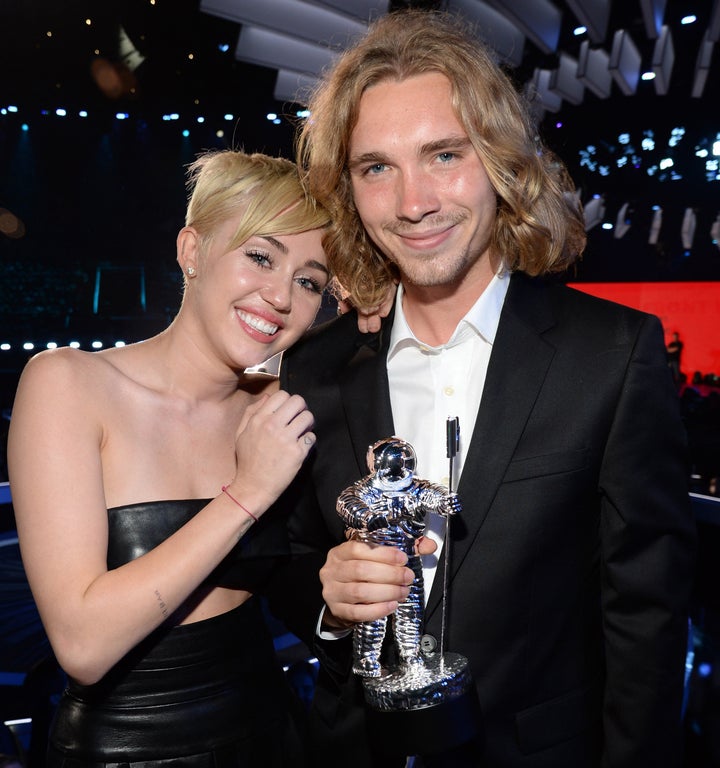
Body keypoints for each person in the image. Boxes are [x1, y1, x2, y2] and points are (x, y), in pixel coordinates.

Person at [278, 9, 697, 767]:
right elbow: (292, 561)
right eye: (377, 167)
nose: (413, 202)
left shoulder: (609, 354)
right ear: (350, 188)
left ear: (502, 160)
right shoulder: (317, 370)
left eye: (443, 155)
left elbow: (647, 618)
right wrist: (330, 602)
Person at [7, 149, 334, 767]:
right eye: (260, 256)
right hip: (125, 749)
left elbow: (301, 583)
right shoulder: (69, 384)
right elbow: (82, 642)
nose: (280, 296)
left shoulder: (280, 410)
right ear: (191, 251)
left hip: (272, 735)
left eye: (310, 281)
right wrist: (247, 493)